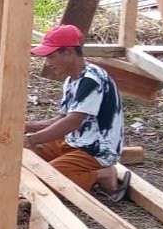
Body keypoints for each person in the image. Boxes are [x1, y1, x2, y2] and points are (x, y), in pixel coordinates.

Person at [25, 23, 127, 199]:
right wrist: (26, 126)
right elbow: (62, 118)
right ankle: (80, 172)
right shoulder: (72, 80)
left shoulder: (91, 80)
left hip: (95, 150)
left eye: (51, 57)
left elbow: (72, 122)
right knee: (24, 158)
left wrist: (32, 139)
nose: (48, 63)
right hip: (75, 142)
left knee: (49, 179)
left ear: (69, 52)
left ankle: (102, 175)